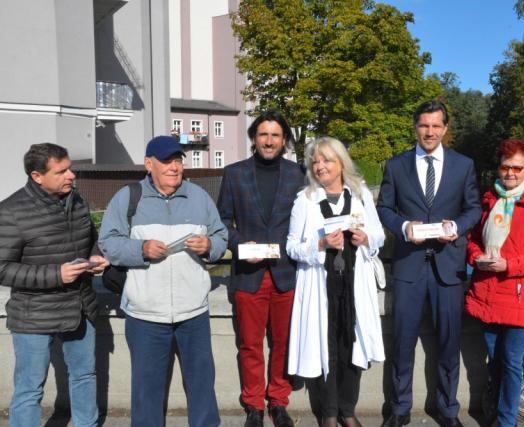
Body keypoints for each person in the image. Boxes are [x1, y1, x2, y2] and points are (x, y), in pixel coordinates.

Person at [98, 136, 228, 427]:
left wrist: (209, 245)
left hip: (193, 312)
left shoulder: (199, 197)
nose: (174, 167)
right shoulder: (127, 197)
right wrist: (140, 249)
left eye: (178, 160)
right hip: (145, 315)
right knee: (147, 394)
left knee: (202, 388)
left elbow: (221, 236)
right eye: (166, 161)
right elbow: (108, 243)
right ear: (149, 164)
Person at [377, 100, 481, 427]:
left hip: (448, 268)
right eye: (424, 125)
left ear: (445, 128)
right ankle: (399, 409)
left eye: (436, 126)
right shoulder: (396, 165)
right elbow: (384, 209)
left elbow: (474, 208)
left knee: (449, 343)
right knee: (402, 343)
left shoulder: (463, 165)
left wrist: (458, 227)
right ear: (415, 127)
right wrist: (403, 227)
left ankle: (448, 409)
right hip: (408, 266)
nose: (430, 132)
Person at [0, 143, 109, 427]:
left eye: (69, 168)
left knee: (85, 376)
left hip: (80, 306)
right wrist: (56, 275)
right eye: (61, 172)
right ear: (37, 176)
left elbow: (91, 239)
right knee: (30, 388)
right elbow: (2, 268)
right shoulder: (11, 211)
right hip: (33, 315)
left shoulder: (77, 201)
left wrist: (95, 256)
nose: (71, 175)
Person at [286, 137, 386, 427]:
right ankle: (329, 412)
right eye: (315, 161)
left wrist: (366, 238)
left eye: (326, 160)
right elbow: (292, 246)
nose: (320, 166)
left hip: (354, 284)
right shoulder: (305, 200)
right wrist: (319, 245)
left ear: (341, 163)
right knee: (325, 347)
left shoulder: (361, 195)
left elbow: (379, 235)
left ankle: (348, 410)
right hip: (321, 286)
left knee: (352, 346)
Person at [217, 110, 304, 427]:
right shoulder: (234, 173)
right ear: (254, 138)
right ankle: (254, 405)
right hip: (248, 275)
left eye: (275, 135)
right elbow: (221, 222)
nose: (269, 141)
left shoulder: (299, 174)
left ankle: (278, 402)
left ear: (284, 140)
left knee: (284, 343)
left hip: (286, 273)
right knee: (250, 345)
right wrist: (241, 245)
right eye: (263, 134)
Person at [465, 139, 524, 427]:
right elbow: (473, 240)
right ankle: (497, 414)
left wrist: (509, 265)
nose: (510, 173)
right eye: (506, 167)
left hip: (518, 296)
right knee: (495, 360)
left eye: (518, 168)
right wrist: (476, 257)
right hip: (487, 292)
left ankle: (507, 421)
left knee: (511, 363)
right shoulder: (489, 200)